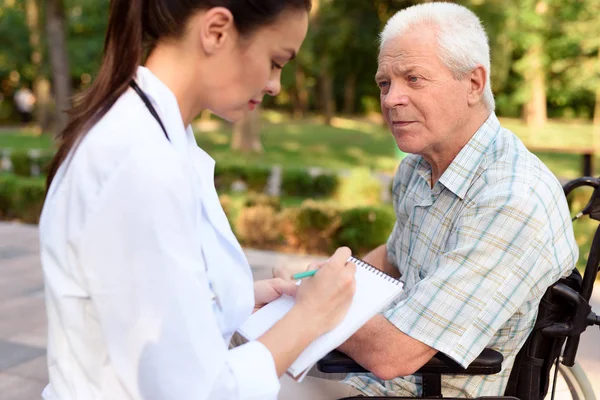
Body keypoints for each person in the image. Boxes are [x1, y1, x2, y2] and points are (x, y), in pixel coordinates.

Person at [39, 1, 359, 399]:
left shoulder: (159, 136)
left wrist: (239, 298)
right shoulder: (137, 161)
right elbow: (198, 390)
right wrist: (312, 317)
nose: (276, 84)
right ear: (217, 31)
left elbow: (150, 297)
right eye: (276, 61)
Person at [331, 2, 578, 398]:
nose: (392, 99)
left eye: (414, 79)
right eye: (384, 83)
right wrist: (321, 279)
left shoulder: (511, 200)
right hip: (371, 382)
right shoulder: (418, 166)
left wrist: (312, 312)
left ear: (474, 83)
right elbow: (393, 260)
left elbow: (393, 353)